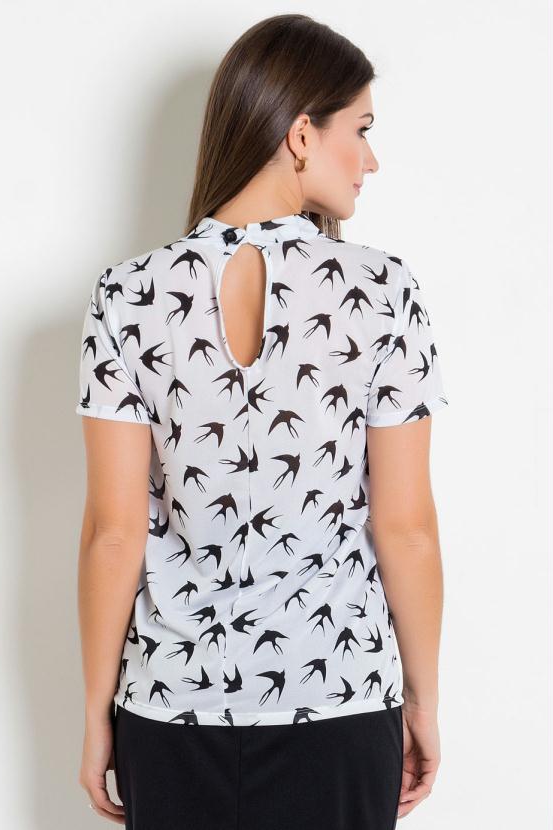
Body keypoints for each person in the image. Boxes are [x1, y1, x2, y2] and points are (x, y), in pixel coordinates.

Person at [75, 13, 448, 830]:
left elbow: (113, 532)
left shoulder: (128, 295)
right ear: (301, 134)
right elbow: (407, 529)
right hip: (340, 703)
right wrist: (420, 699)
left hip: (169, 710)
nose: (372, 159)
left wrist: (100, 712)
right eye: (361, 130)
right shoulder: (381, 290)